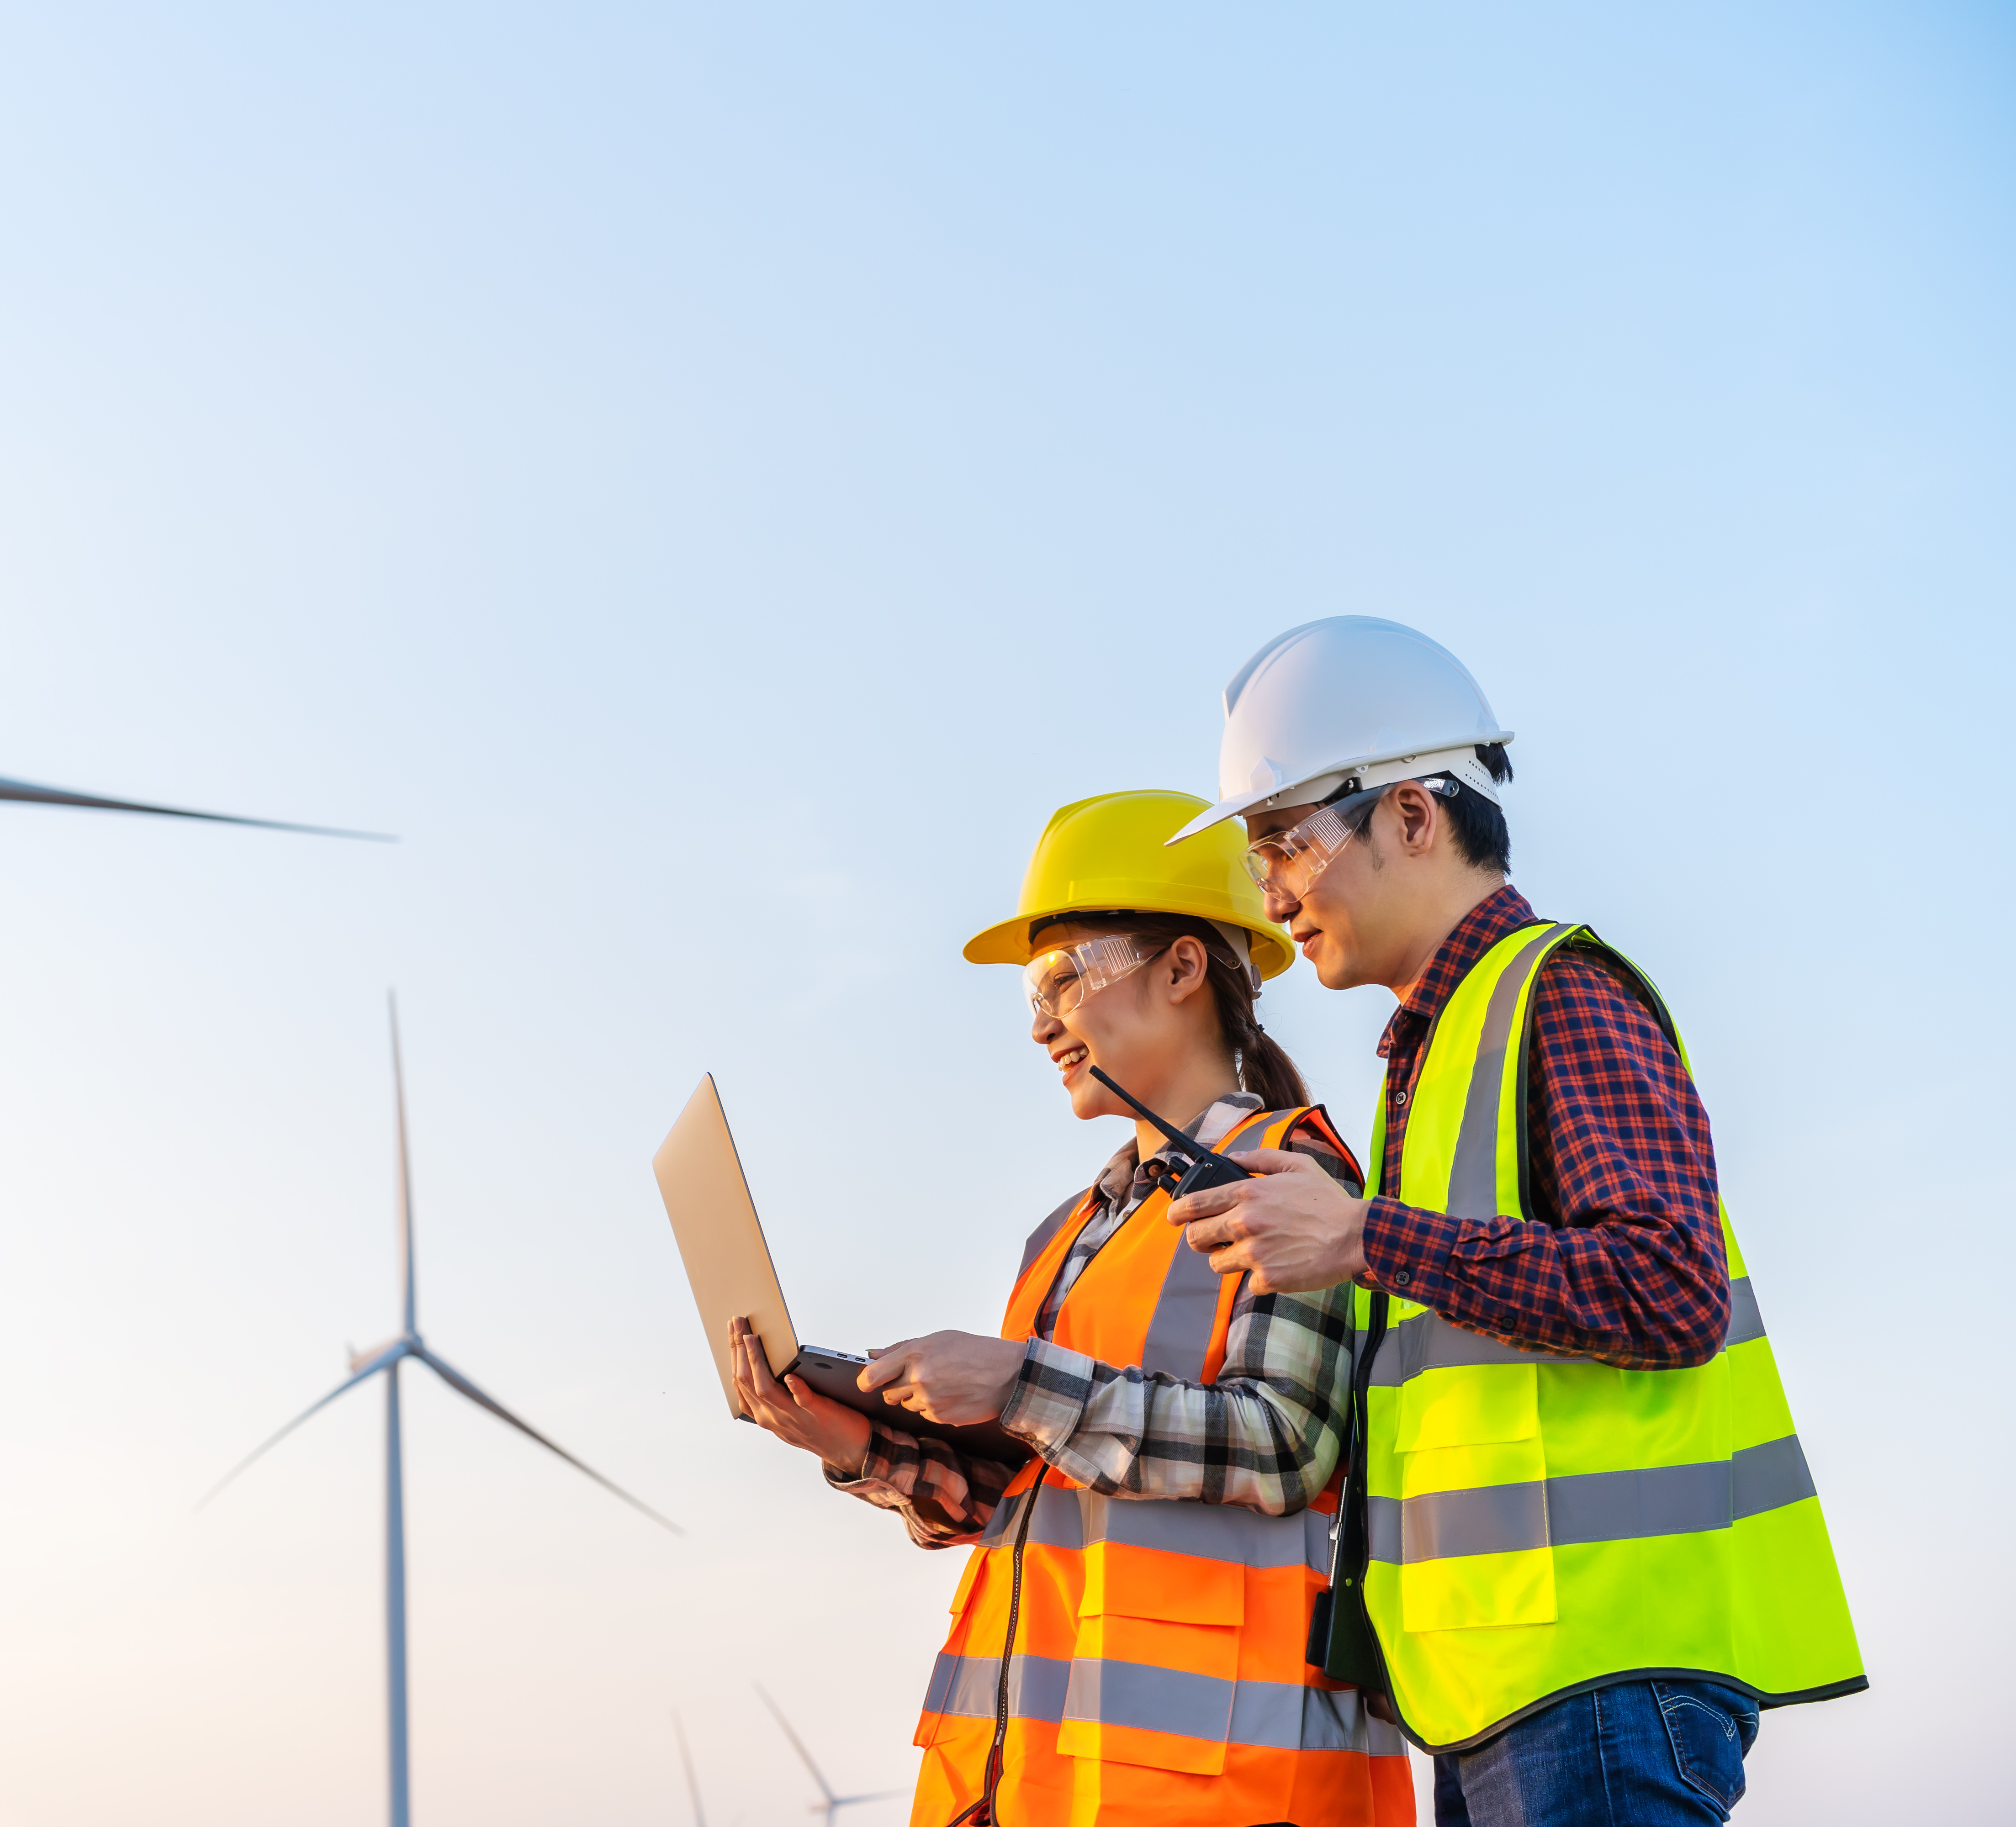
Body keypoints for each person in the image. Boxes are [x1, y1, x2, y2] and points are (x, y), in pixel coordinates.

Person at [1156, 617, 1865, 1827]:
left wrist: (1366, 1238)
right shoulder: (1432, 1054)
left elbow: (1667, 1289)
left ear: (1414, 817)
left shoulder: (1559, 995)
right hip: (1504, 1686)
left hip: (1599, 1679)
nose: (1271, 894)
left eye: (1285, 844)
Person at [728, 790, 1411, 1827]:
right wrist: (858, 1444)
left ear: (1184, 967)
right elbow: (1035, 1490)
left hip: (1226, 1784)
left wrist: (1016, 1379)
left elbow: (1288, 1442)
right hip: (1037, 1781)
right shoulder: (1065, 1233)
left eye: (1066, 977)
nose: (1044, 1020)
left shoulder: (1293, 1175)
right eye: (1032, 993)